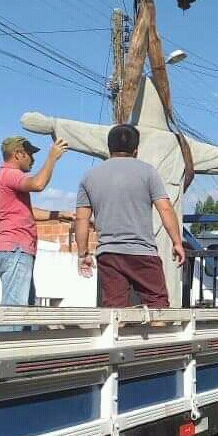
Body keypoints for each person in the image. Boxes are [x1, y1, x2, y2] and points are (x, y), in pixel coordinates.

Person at [22, 77, 218, 303]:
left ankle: (121, 328)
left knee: (117, 302)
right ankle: (161, 326)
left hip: (114, 244)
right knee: (160, 296)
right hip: (153, 242)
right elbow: (173, 200)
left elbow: (83, 133)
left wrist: (52, 125)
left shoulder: (113, 145)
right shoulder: (176, 145)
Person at [74, 124, 185, 308]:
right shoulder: (148, 172)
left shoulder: (89, 176)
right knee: (157, 305)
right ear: (136, 150)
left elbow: (81, 219)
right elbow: (165, 209)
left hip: (109, 254)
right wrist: (177, 243)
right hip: (143, 252)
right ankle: (158, 326)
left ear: (109, 148)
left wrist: (82, 253)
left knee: (115, 310)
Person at [0, 135, 67, 305]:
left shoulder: (3, 177)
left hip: (13, 248)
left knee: (27, 307)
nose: (33, 159)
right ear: (18, 154)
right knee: (15, 309)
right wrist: (52, 158)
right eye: (30, 154)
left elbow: (28, 213)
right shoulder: (10, 174)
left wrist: (59, 215)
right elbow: (38, 184)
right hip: (16, 247)